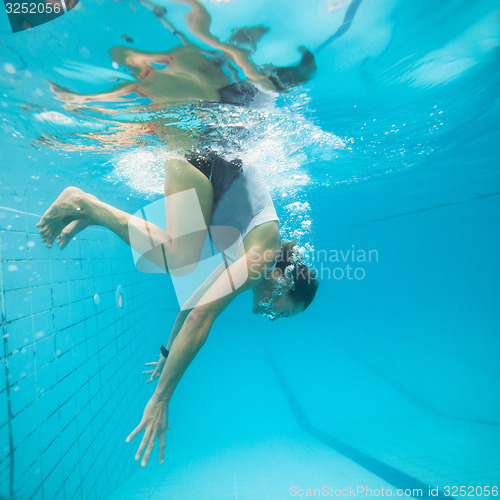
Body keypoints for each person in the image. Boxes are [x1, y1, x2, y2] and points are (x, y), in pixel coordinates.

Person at [37, 149, 319, 467]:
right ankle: (86, 205)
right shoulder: (262, 256)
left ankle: (92, 213)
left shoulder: (252, 253)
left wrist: (167, 351)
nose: (271, 314)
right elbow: (202, 316)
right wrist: (161, 397)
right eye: (280, 310)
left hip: (202, 165)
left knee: (180, 258)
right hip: (205, 162)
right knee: (179, 258)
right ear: (284, 283)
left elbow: (193, 304)